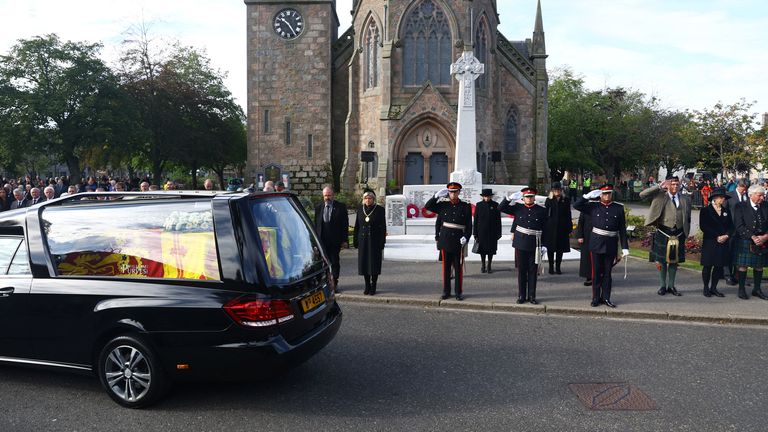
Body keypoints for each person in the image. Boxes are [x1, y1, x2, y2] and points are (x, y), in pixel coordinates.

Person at [573, 184, 629, 307]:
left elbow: (622, 229)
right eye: (604, 193)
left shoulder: (618, 208)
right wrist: (586, 197)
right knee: (596, 273)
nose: (607, 196)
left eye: (608, 193)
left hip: (611, 244)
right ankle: (595, 298)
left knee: (608, 274)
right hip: (596, 243)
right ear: (600, 195)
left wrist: (625, 247)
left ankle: (606, 298)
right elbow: (576, 205)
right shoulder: (594, 206)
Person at [640, 175, 692, 297]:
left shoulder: (685, 199)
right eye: (672, 184)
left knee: (674, 261)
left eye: (676, 184)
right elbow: (642, 195)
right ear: (668, 185)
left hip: (679, 232)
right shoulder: (660, 195)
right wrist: (659, 186)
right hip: (664, 231)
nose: (675, 187)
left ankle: (671, 286)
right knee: (662, 261)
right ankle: (663, 286)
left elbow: (687, 217)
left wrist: (686, 232)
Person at [499, 187, 547, 304]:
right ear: (523, 198)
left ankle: (532, 296)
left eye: (531, 197)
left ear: (534, 197)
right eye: (527, 197)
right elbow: (500, 208)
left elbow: (546, 228)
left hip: (535, 243)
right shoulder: (518, 208)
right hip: (521, 243)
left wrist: (545, 244)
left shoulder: (541, 210)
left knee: (533, 271)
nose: (529, 199)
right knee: (522, 271)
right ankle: (522, 295)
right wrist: (508, 198)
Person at [425, 182, 472, 301]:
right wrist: (436, 197)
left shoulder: (465, 206)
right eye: (451, 192)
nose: (453, 194)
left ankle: (458, 292)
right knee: (446, 269)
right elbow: (428, 206)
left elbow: (469, 226)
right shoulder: (442, 205)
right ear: (448, 193)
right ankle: (446, 291)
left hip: (458, 240)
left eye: (455, 192)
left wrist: (466, 237)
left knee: (458, 269)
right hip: (446, 240)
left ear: (459, 193)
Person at [732, 184, 768, 300]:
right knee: (743, 266)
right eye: (760, 195)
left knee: (759, 266)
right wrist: (752, 236)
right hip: (745, 240)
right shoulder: (740, 206)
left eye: (763, 195)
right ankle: (741, 289)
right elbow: (739, 225)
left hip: (763, 240)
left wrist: (765, 237)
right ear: (751, 195)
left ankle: (756, 289)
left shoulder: (766, 206)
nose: (762, 198)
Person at [698, 187, 732, 298]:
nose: (723, 200)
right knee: (708, 266)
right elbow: (704, 226)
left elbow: (731, 226)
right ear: (715, 198)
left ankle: (714, 288)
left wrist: (727, 235)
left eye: (724, 198)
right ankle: (706, 287)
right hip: (710, 241)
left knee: (719, 266)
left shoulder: (726, 211)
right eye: (721, 198)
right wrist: (716, 236)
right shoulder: (705, 210)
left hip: (723, 242)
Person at [314, 186, 348, 291]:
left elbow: (345, 224)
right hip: (322, 241)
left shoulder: (340, 207)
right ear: (323, 196)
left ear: (333, 195)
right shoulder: (319, 207)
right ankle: (325, 284)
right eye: (325, 195)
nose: (327, 197)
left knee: (334, 262)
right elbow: (316, 224)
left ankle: (334, 283)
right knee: (323, 263)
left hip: (335, 241)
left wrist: (344, 240)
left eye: (329, 195)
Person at [353, 189, 386, 295]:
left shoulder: (380, 210)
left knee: (374, 264)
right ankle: (367, 285)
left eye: (370, 198)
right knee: (364, 264)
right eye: (366, 198)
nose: (367, 200)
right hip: (363, 241)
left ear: (373, 199)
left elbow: (383, 227)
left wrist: (382, 241)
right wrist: (355, 240)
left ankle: (374, 285)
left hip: (375, 241)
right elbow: (357, 226)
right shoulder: (360, 209)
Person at [543, 182, 572, 274]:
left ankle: (558, 267)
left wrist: (569, 227)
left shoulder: (566, 200)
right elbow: (545, 214)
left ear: (561, 190)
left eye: (558, 190)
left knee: (560, 249)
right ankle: (551, 267)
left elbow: (568, 214)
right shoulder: (549, 200)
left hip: (562, 228)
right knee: (550, 248)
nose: (557, 191)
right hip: (550, 228)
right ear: (552, 191)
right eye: (555, 190)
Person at [473, 188, 502, 274]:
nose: (486, 198)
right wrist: (475, 233)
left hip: (492, 232)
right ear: (482, 197)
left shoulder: (496, 205)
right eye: (485, 196)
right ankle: (483, 265)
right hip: (481, 231)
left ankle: (489, 265)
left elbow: (498, 220)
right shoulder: (479, 205)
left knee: (491, 250)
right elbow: (476, 220)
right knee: (482, 250)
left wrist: (499, 233)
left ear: (491, 196)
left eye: (488, 196)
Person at [725, 180, 749, 285]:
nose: (744, 191)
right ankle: (727, 275)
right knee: (729, 253)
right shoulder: (729, 196)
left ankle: (737, 275)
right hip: (731, 229)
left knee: (739, 254)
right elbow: (724, 211)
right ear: (739, 186)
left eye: (746, 189)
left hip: (743, 230)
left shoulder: (747, 196)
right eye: (743, 189)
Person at [575, 196, 597, 286]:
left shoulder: (600, 207)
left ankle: (598, 276)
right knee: (586, 258)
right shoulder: (586, 207)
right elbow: (581, 222)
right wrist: (580, 235)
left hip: (598, 236)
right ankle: (589, 276)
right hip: (587, 235)